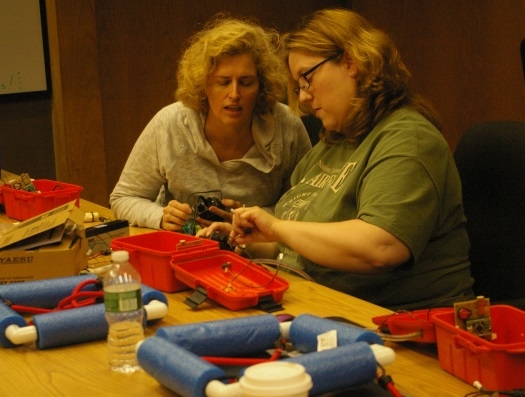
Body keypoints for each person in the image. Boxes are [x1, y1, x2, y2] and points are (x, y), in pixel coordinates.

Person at [201, 8, 475, 311]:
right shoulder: (331, 144)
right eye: (298, 86)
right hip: (317, 310)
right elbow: (298, 243)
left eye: (307, 78)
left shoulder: (409, 139)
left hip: (401, 329)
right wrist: (252, 240)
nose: (303, 97)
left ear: (350, 62)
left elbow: (380, 247)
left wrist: (278, 228)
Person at [109, 15, 311, 232]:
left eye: (246, 83)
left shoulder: (286, 126)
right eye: (223, 82)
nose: (234, 94)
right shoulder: (170, 124)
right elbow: (123, 198)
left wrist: (255, 218)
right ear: (204, 85)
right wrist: (160, 216)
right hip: (185, 249)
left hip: (258, 252)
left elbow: (307, 206)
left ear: (261, 85)